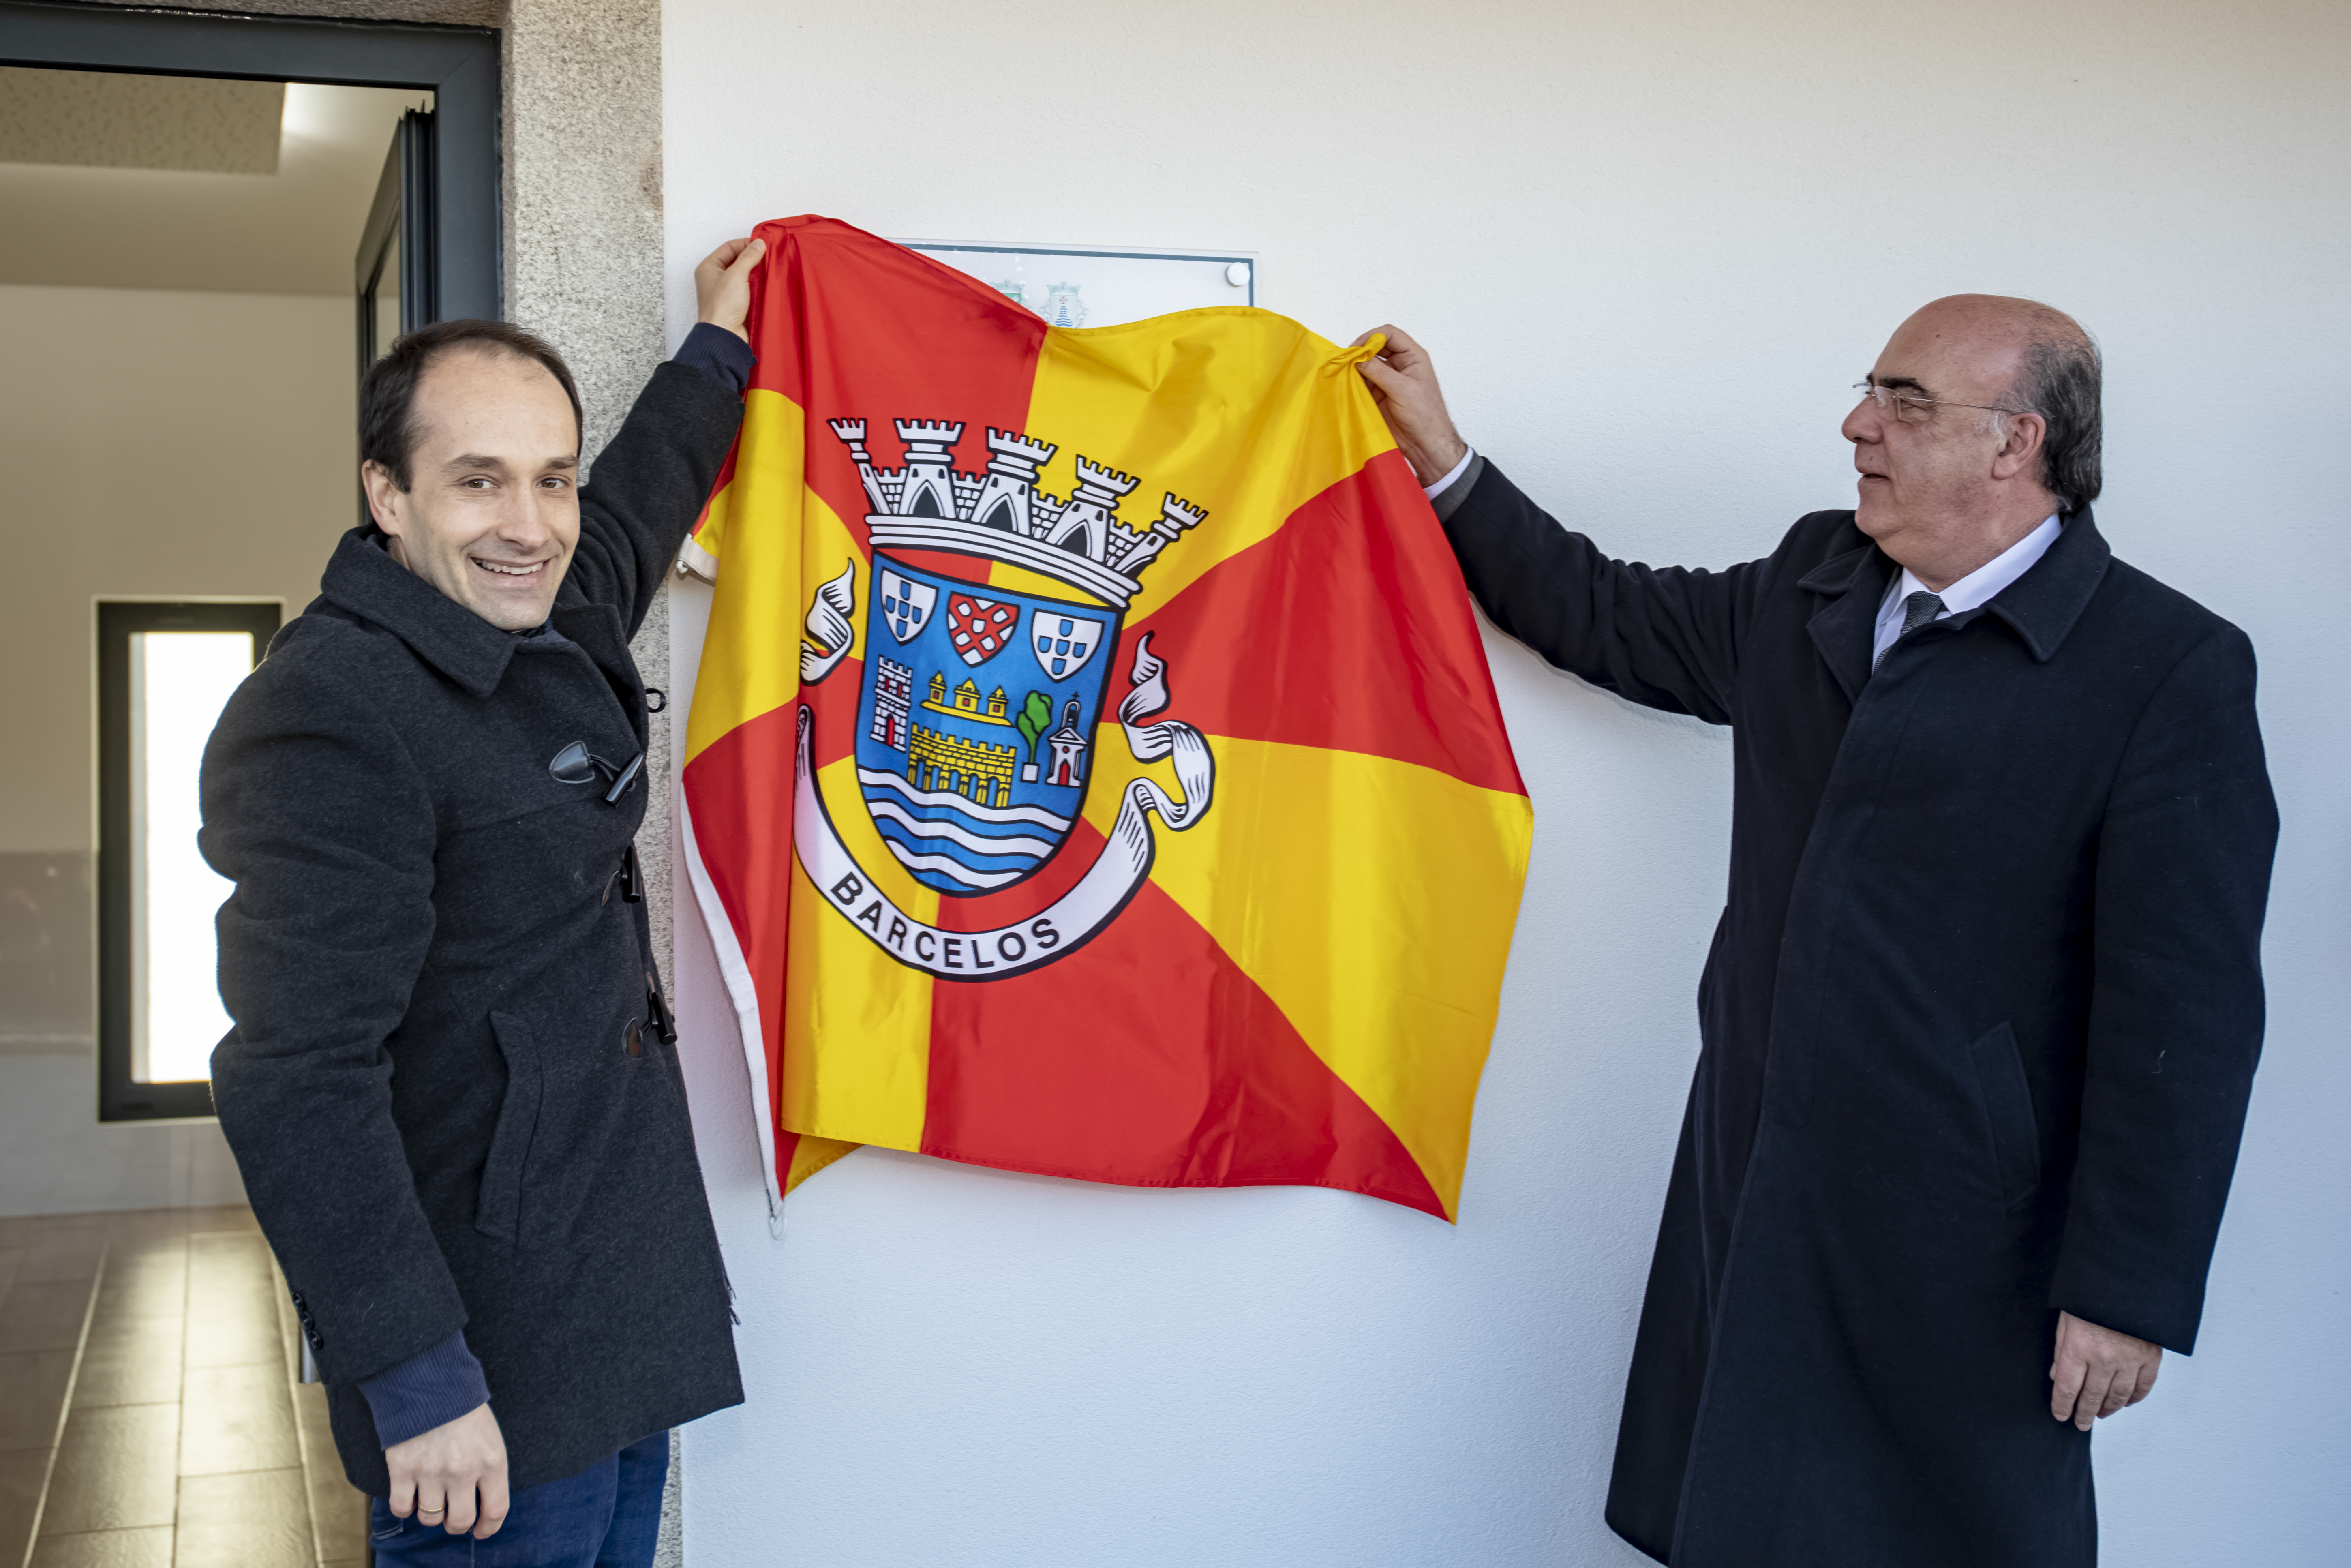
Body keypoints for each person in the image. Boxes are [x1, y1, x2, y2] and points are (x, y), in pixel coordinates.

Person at [1355, 297, 2276, 1567]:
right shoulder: (1816, 577)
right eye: (1871, 392)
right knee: (1742, 1521)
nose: (1858, 424)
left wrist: (2125, 1290)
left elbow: (2188, 1012)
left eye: (1905, 401)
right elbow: (1608, 615)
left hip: (1970, 1242)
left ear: (2018, 442)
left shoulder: (2166, 668)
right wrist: (1444, 460)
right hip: (1758, 1180)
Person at [201, 237, 768, 1563]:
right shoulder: (329, 710)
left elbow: (635, 504)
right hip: (484, 1361)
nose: (530, 521)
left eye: (548, 476)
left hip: (619, 1306)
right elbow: (298, 1075)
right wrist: (416, 1373)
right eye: (478, 481)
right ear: (386, 495)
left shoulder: (546, 609)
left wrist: (721, 347)